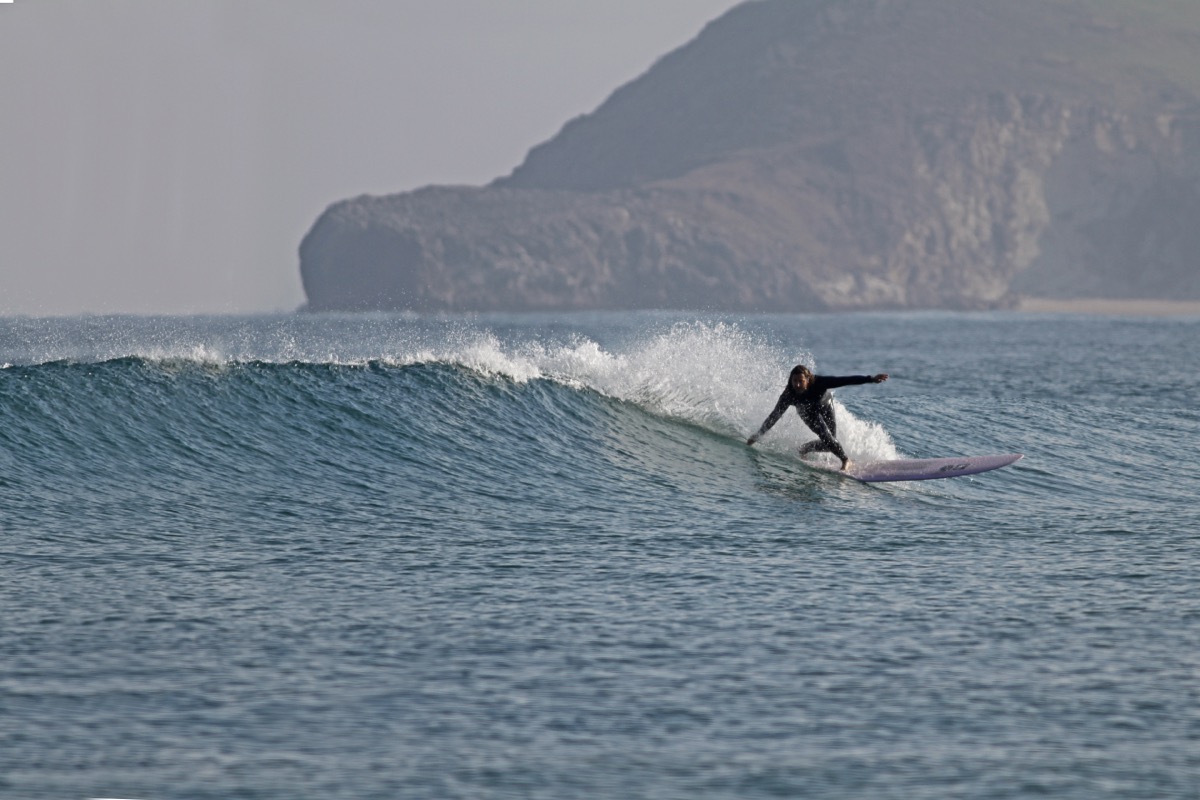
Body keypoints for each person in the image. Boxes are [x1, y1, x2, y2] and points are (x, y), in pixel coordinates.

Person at [746, 364, 888, 470]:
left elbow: (844, 380)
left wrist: (870, 379)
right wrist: (758, 435)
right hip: (807, 412)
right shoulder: (788, 395)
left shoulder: (820, 382)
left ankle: (804, 448)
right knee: (827, 437)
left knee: (830, 442)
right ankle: (845, 460)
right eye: (794, 381)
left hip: (826, 405)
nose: (797, 384)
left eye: (800, 381)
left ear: (808, 379)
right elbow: (774, 416)